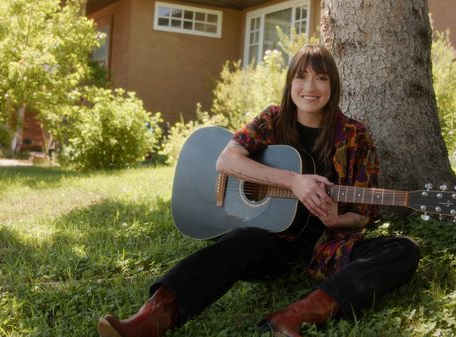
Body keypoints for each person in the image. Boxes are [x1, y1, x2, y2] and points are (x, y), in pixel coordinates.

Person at [97, 44, 421, 337]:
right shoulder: (273, 119)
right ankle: (150, 318)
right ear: (290, 84)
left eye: (321, 78)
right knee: (240, 240)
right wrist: (293, 180)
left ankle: (294, 317)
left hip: (325, 246)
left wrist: (339, 220)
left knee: (403, 250)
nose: (310, 87)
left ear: (332, 86)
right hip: (272, 240)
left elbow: (364, 216)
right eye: (301, 77)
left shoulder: (355, 136)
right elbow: (227, 160)